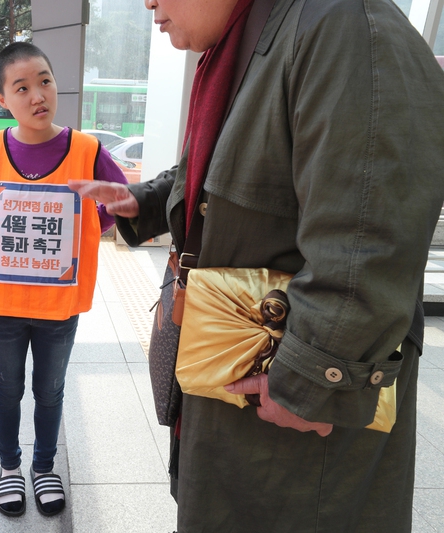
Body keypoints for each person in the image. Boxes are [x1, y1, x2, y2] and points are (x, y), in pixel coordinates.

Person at [69, 0, 444, 531]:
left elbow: (373, 233)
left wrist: (312, 384)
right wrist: (146, 200)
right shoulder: (259, 37)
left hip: (296, 420)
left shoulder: (344, 27)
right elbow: (233, 160)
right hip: (241, 384)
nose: (148, 2)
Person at [0, 41, 128, 518]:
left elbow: (117, 200)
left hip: (58, 308)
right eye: (21, 87)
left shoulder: (86, 149)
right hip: (2, 305)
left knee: (50, 391)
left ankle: (43, 466)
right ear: (3, 99)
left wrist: (86, 231)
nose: (37, 95)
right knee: (7, 389)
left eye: (44, 81)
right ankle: (10, 467)